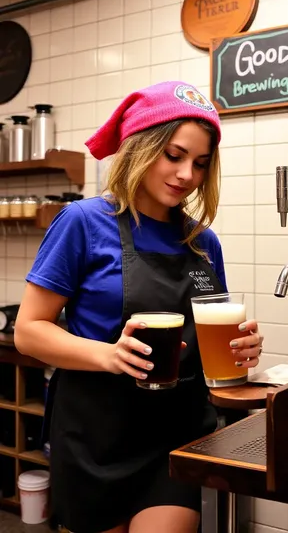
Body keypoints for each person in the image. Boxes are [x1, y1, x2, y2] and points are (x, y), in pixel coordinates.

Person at [14, 81, 263, 533]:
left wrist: (238, 351)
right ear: (140, 148)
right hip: (95, 437)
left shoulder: (203, 242)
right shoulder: (84, 222)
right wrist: (109, 355)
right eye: (174, 155)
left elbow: (210, 344)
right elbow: (29, 330)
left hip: (175, 434)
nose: (187, 174)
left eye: (201, 163)